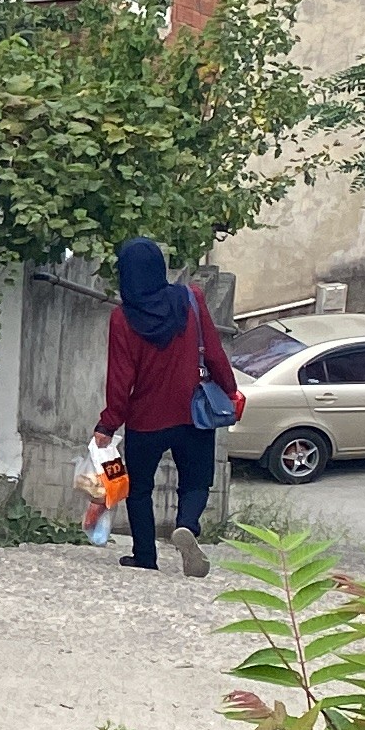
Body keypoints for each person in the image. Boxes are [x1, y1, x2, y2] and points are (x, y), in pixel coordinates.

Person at [93, 236, 237, 576]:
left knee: (140, 489)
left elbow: (120, 378)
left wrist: (108, 423)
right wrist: (230, 390)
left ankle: (145, 555)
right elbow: (214, 352)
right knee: (196, 481)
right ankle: (186, 525)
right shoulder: (191, 298)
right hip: (193, 411)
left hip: (146, 419)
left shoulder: (122, 318)